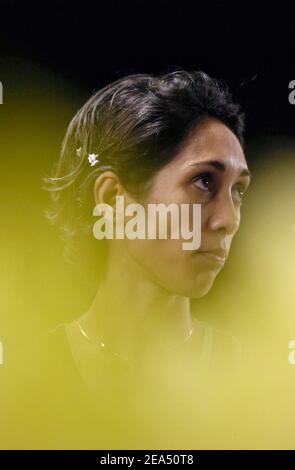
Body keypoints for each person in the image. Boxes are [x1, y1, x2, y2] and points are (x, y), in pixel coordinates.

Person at [42, 70, 251, 446]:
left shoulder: (260, 380)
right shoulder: (25, 378)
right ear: (112, 199)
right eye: (204, 181)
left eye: (238, 191)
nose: (229, 220)